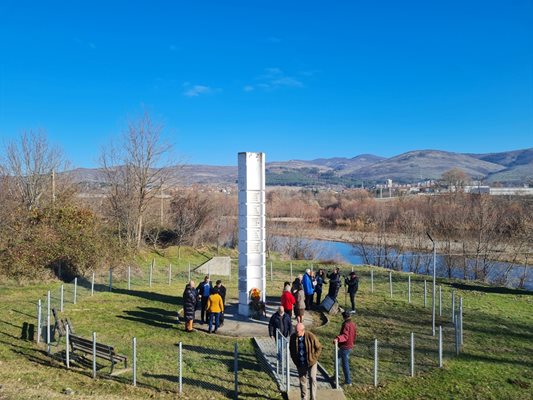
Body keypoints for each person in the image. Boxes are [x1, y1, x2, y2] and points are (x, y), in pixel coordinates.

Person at [289, 323, 322, 400]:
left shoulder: (310, 336)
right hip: (300, 363)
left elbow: (319, 347)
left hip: (311, 362)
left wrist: (314, 358)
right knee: (302, 381)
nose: (296, 332)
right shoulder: (293, 337)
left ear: (302, 330)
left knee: (312, 378)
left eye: (297, 331)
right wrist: (295, 360)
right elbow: (291, 349)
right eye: (295, 330)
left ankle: (313, 398)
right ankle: (304, 397)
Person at [333, 311, 357, 386]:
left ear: (344, 317)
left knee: (344, 364)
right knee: (338, 359)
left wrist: (338, 339)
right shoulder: (353, 324)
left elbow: (345, 336)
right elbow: (354, 334)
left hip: (345, 347)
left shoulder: (346, 325)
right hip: (350, 345)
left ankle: (348, 381)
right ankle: (336, 376)